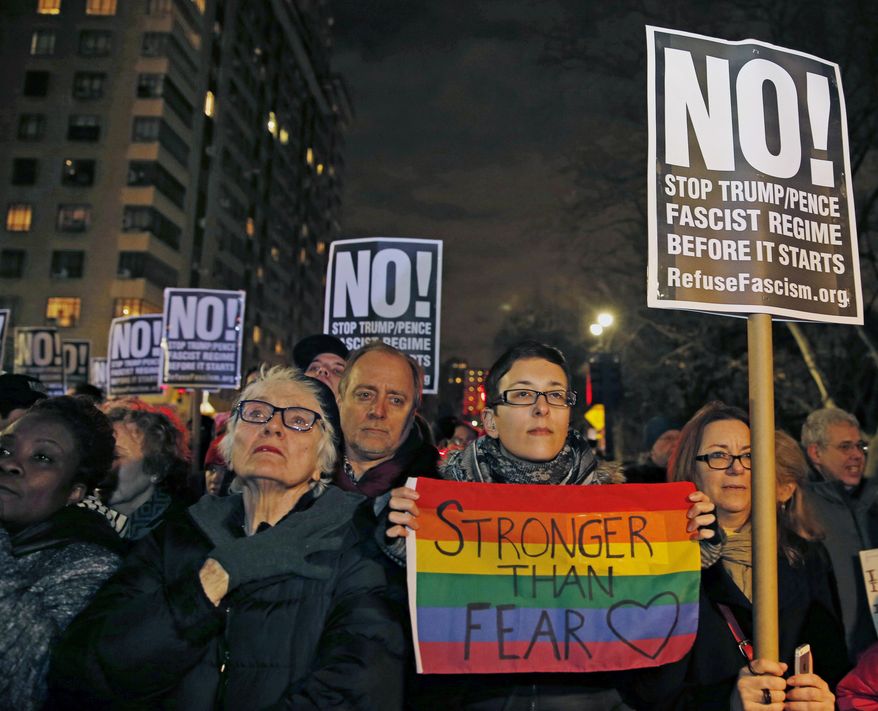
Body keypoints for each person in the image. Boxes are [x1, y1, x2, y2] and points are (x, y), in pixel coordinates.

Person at [48, 367, 405, 709]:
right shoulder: (179, 535)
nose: (272, 427)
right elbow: (91, 670)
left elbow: (361, 685)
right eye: (256, 413)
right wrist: (216, 577)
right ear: (232, 444)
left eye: (298, 420)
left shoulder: (356, 542)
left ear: (322, 459)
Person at [388, 341, 717, 709]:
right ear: (491, 421)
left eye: (556, 395)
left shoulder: (623, 516)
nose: (541, 408)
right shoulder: (434, 511)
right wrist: (392, 534)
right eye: (523, 394)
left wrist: (693, 535)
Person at [640, 402, 847, 710]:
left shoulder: (805, 557)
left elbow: (832, 663)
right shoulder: (658, 560)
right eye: (719, 455)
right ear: (690, 467)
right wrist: (727, 701)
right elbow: (650, 693)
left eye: (749, 456)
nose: (736, 467)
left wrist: (822, 696)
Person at [0, 396, 123, 710]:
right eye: (4, 448)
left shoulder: (91, 566)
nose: (9, 463)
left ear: (74, 492)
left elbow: (25, 683)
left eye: (42, 457)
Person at [802, 407, 878, 660]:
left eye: (860, 447)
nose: (857, 455)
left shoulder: (870, 500)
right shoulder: (801, 506)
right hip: (834, 662)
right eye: (845, 447)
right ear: (816, 452)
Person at [335, 341, 438, 500]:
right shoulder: (296, 474)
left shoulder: (439, 489)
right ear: (340, 400)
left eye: (395, 400)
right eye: (365, 395)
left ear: (412, 413)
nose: (377, 411)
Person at [79, 401, 193, 541]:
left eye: (115, 456)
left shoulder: (178, 536)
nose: (100, 465)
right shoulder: (82, 517)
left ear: (156, 468)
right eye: (96, 454)